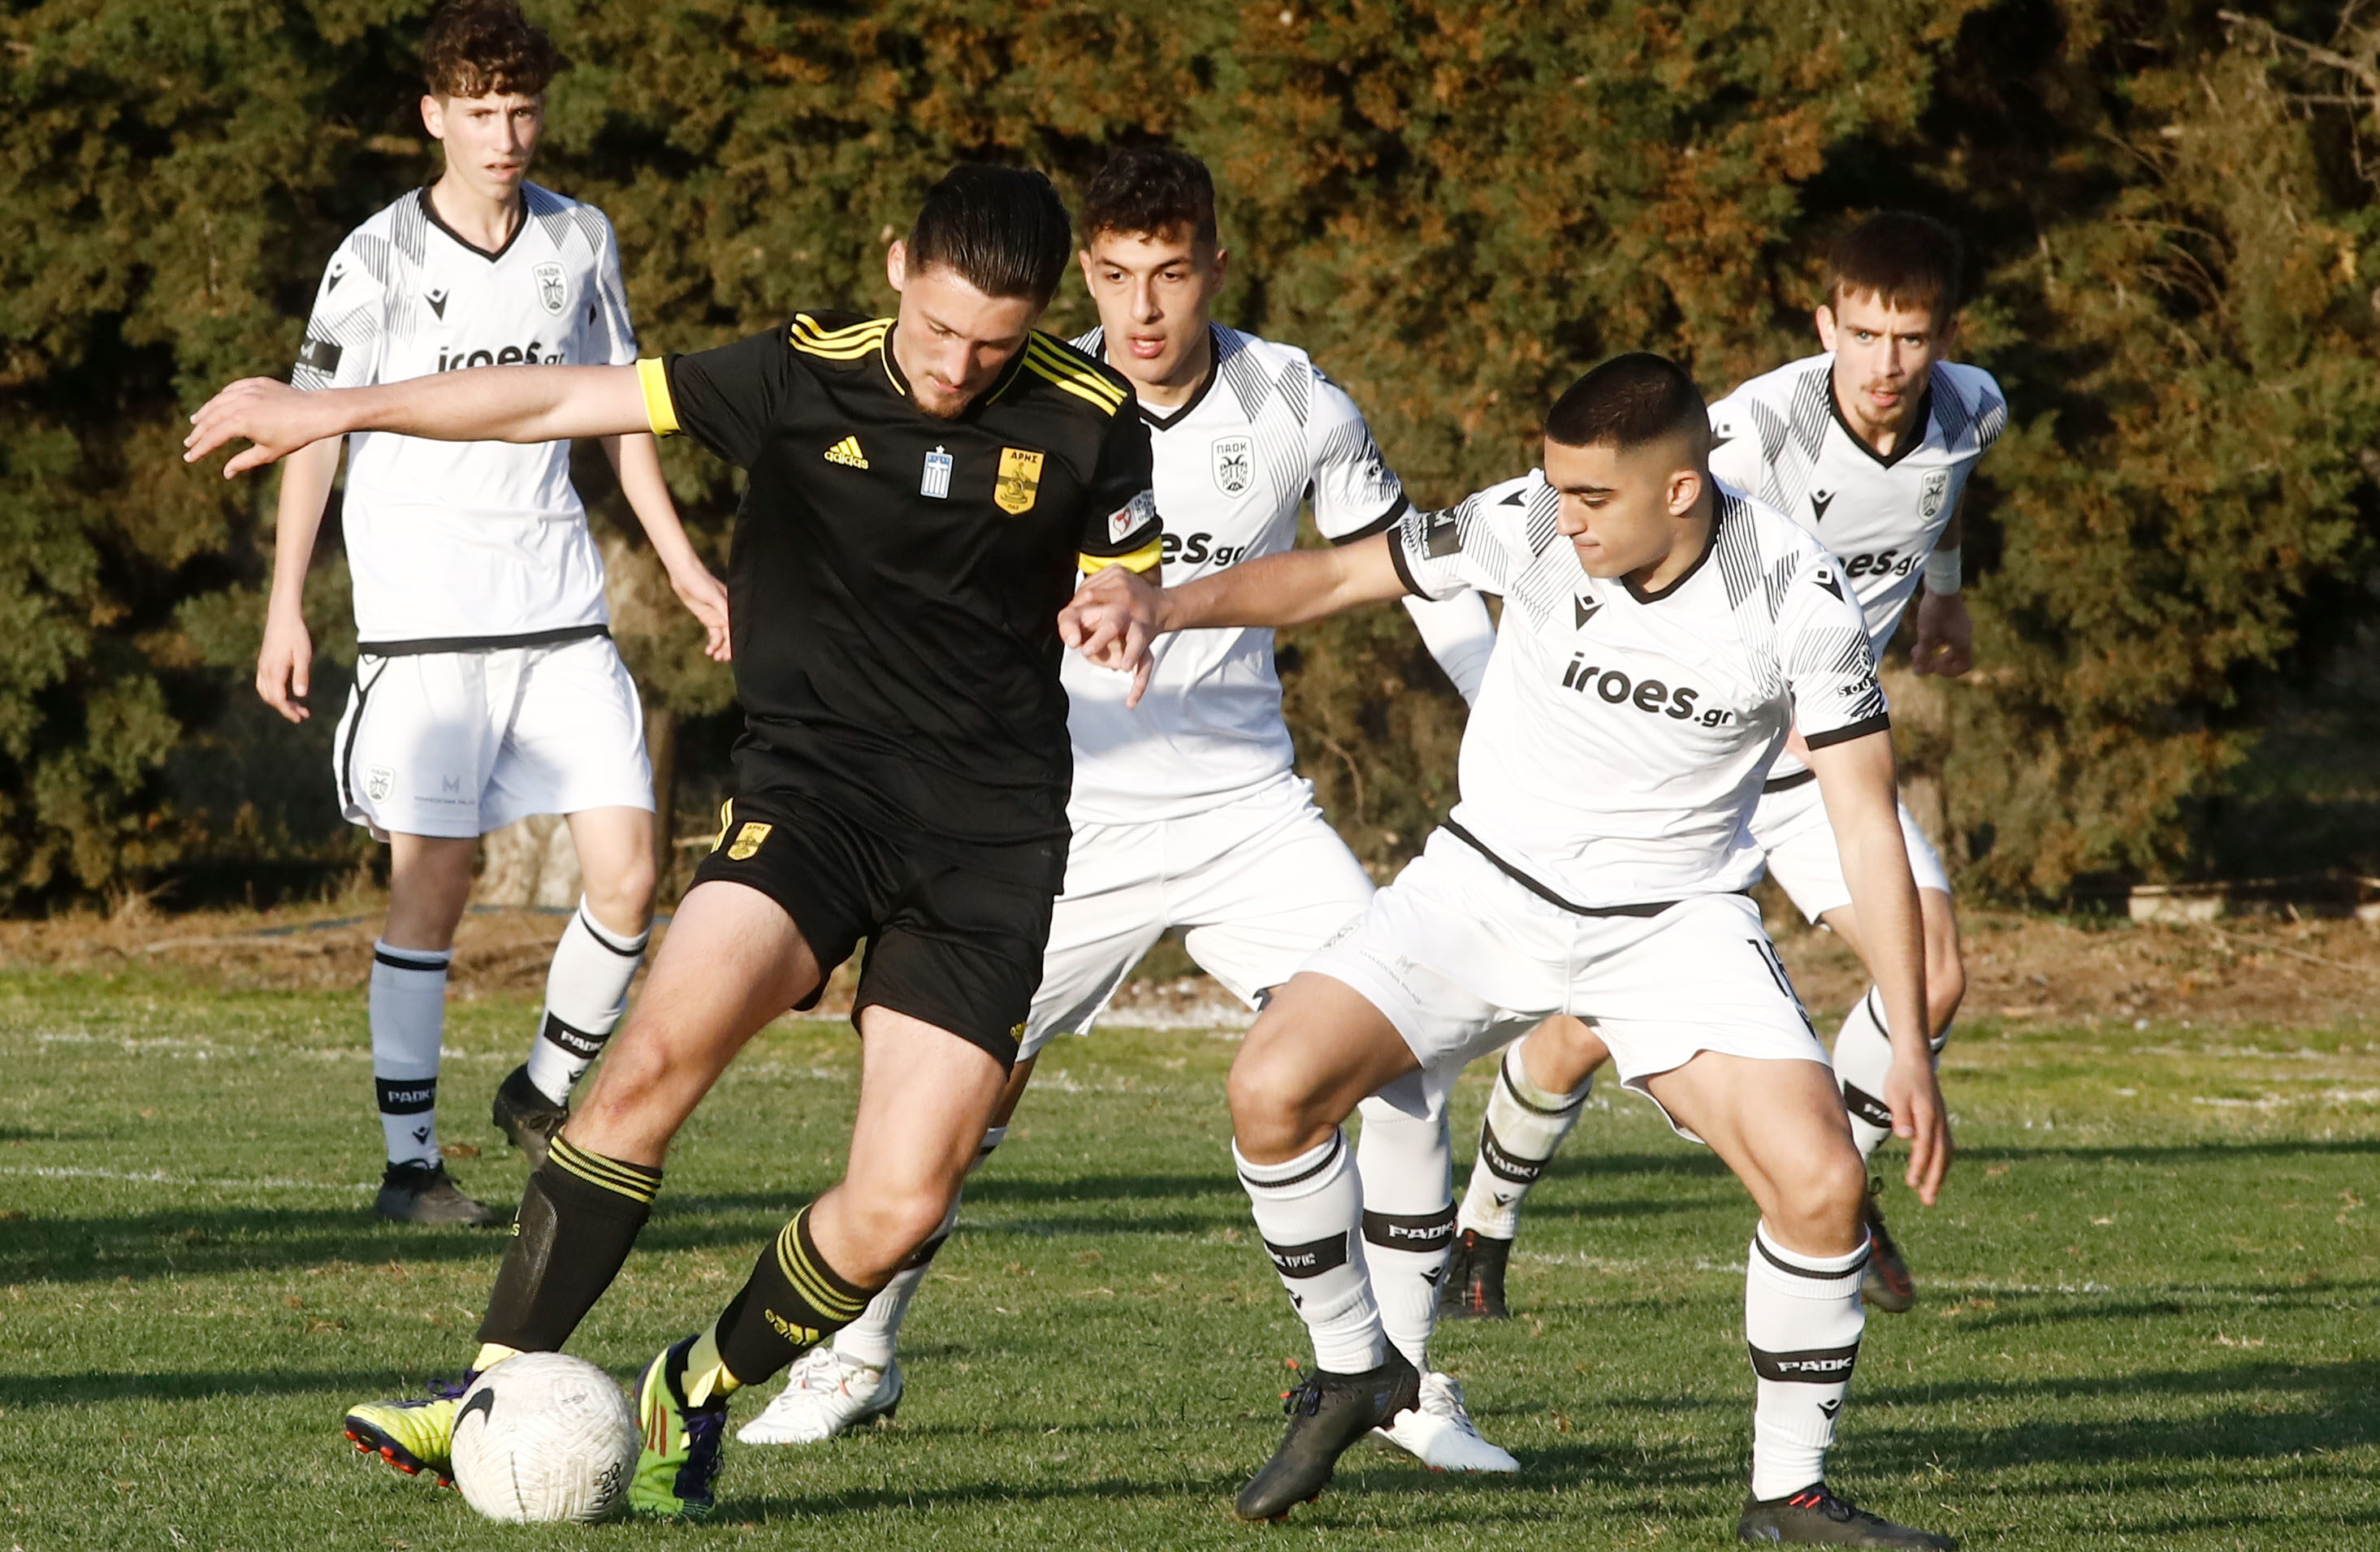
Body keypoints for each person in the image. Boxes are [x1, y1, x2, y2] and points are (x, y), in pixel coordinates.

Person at [189, 164, 1163, 1520]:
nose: (955, 369)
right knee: (643, 1068)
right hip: (814, 802)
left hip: (988, 841)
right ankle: (485, 1392)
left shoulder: (1091, 415)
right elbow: (550, 399)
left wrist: (1124, 604)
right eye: (938, 329)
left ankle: (687, 1393)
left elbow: (1130, 567)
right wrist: (334, 408)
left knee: (900, 1205)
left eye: (992, 345)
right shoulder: (796, 372)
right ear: (897, 265)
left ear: (1041, 320)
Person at [1065, 353, 1956, 1546]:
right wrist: (1161, 605)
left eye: (1592, 497)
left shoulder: (1795, 593)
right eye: (1557, 488)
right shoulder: (1528, 520)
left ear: (1681, 490)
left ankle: (1785, 1495)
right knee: (1270, 1090)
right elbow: (1340, 573)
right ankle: (1356, 1369)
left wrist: (1908, 1040)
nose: (1563, 516)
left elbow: (1863, 820)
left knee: (1823, 1185)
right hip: (1480, 890)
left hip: (1671, 924)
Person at [733, 146, 1512, 1472]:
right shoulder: (1032, 397)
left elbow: (1402, 569)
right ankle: (853, 1357)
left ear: (1215, 266)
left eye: (1169, 273)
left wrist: (1501, 721)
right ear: (1079, 275)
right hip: (1053, 817)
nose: (1141, 307)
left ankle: (1404, 1384)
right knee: (956, 1106)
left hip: (1247, 815)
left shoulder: (1297, 403)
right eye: (1111, 275)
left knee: (1393, 1063)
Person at [1441, 213, 2006, 1322]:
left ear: (1946, 337)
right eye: (1863, 335)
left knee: (1932, 975)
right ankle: (1482, 1226)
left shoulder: (1973, 406)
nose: (1886, 364)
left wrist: (1942, 595)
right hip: (1694, 759)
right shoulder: (1754, 431)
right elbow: (1595, 530)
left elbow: (1944, 492)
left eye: (1910, 338)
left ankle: (1833, 1192)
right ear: (1825, 325)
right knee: (1587, 1026)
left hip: (1823, 765)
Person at [263, 0, 728, 1225]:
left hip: (560, 610)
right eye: (479, 112)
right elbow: (311, 430)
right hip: (423, 622)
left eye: (521, 110)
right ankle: (409, 1167)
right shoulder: (375, 257)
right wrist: (286, 607)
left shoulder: (581, 237)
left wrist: (684, 566)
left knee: (629, 874)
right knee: (437, 884)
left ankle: (541, 1091)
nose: (505, 135)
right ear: (435, 116)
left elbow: (622, 410)